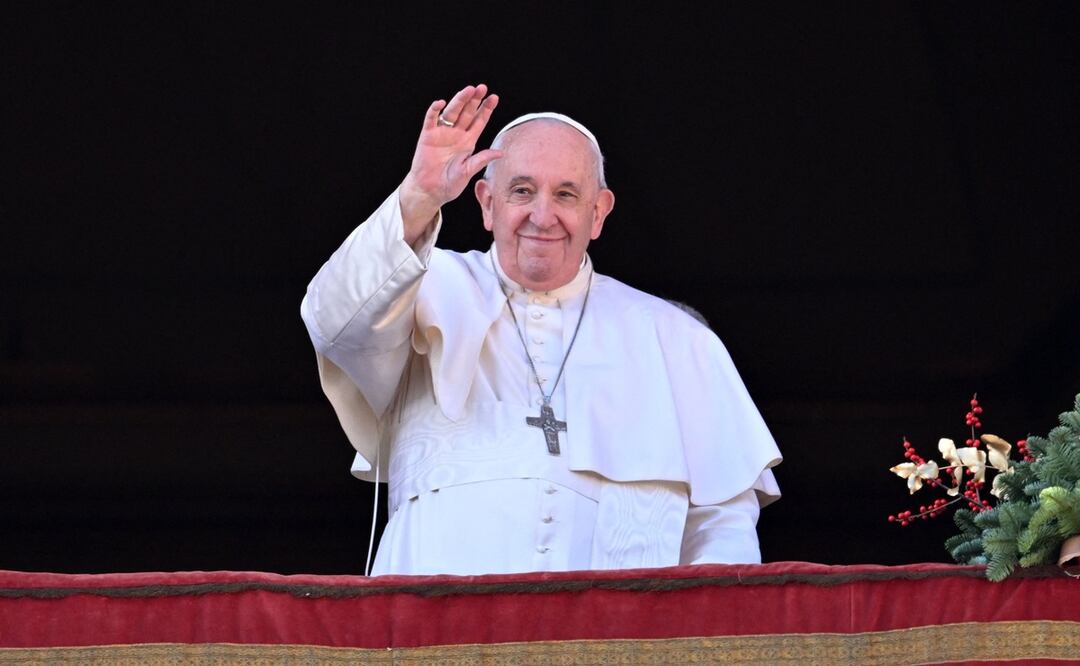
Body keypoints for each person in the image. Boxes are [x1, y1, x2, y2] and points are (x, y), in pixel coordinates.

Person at [301, 84, 782, 576]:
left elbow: (723, 529)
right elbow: (334, 320)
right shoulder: (421, 286)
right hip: (436, 639)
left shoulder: (677, 340)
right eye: (522, 191)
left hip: (613, 646)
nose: (542, 215)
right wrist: (419, 198)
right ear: (486, 203)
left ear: (598, 213)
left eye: (567, 195)